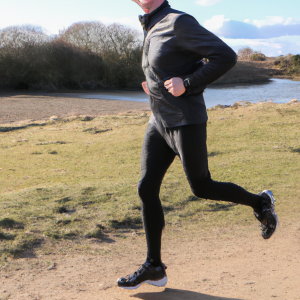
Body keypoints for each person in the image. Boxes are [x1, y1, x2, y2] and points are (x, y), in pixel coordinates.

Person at [117, 0, 279, 290]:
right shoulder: (150, 23)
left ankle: (260, 202)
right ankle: (154, 266)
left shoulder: (177, 22)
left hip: (186, 121)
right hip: (159, 121)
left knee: (201, 187)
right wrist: (152, 85)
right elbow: (169, 64)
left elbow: (225, 56)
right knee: (146, 187)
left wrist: (188, 84)